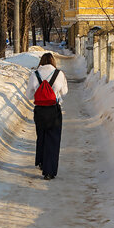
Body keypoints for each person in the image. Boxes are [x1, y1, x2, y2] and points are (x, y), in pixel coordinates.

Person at [25, 52, 68, 180]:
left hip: (39, 111)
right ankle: (49, 171)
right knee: (53, 139)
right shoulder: (59, 74)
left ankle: (41, 162)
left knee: (41, 136)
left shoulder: (34, 74)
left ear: (41, 62)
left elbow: (29, 95)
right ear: (53, 62)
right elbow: (64, 92)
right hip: (54, 110)